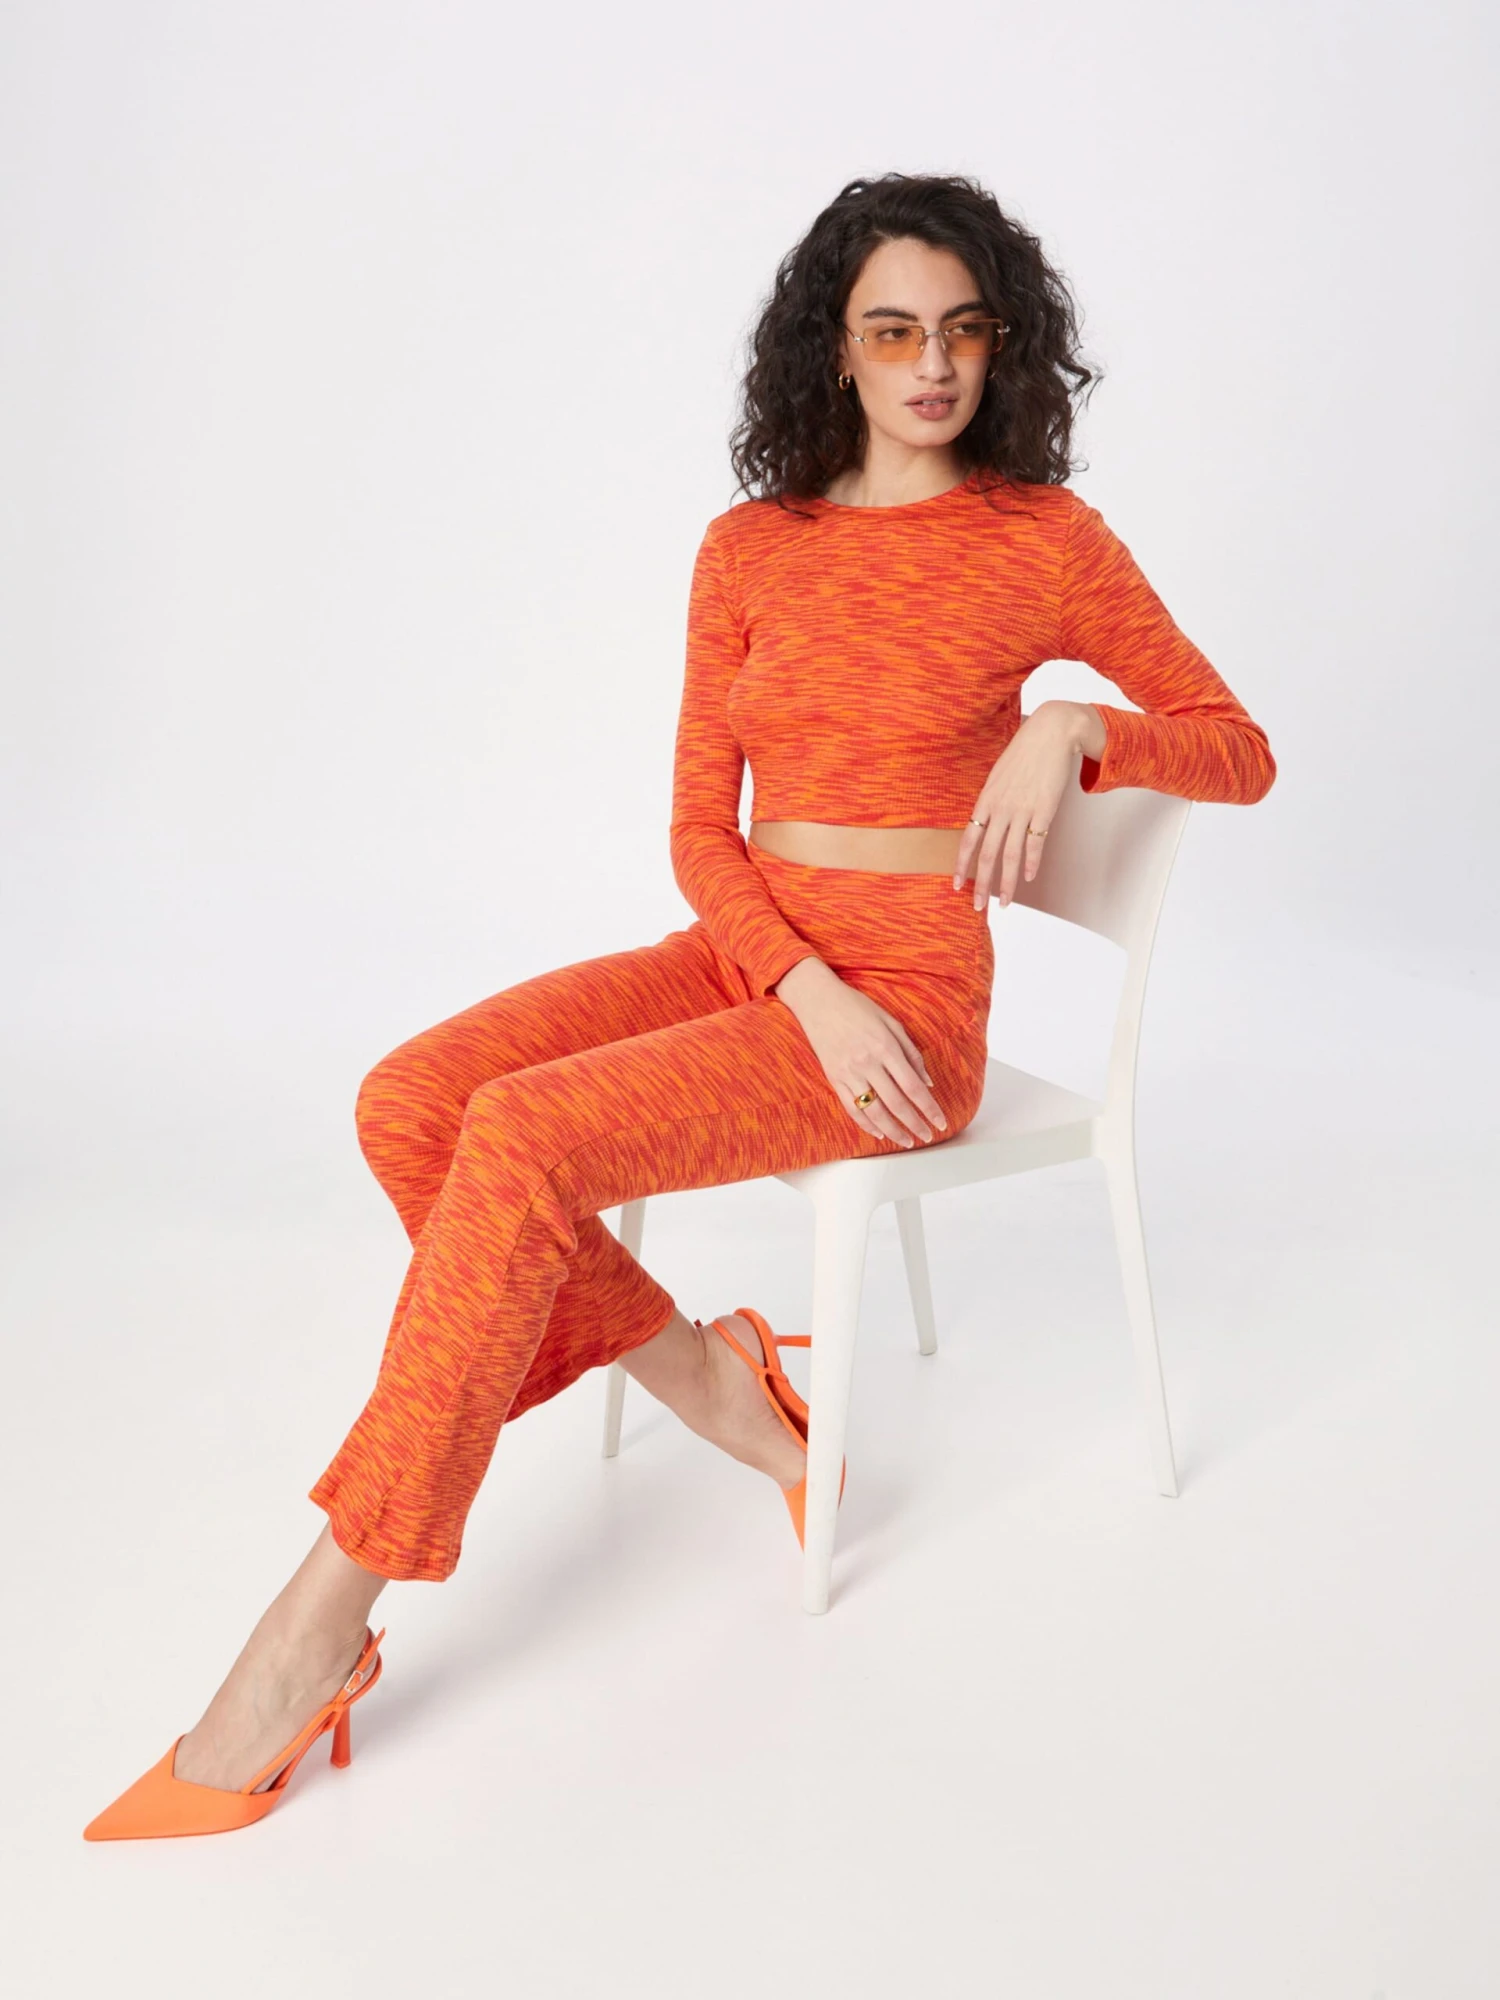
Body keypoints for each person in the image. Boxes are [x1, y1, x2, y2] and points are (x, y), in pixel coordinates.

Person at [83, 170, 1275, 1839]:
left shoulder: (1043, 544)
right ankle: (723, 1390)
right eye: (892, 332)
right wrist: (795, 979)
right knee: (413, 1104)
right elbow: (701, 833)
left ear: (1004, 345)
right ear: (835, 350)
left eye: (964, 330)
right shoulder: (750, 549)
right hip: (757, 958)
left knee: (520, 1140)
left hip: (907, 1012)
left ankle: (319, 1622)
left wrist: (1076, 727)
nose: (934, 365)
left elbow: (1239, 749)